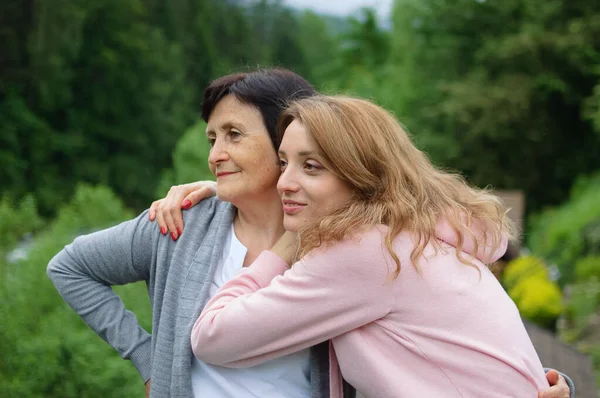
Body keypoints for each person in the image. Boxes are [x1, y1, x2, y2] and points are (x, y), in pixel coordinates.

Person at [153, 96, 575, 398]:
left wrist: (282, 249)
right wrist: (232, 191)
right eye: (284, 162)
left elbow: (213, 337)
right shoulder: (419, 229)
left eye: (311, 166)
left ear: (361, 176)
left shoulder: (363, 252)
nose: (285, 182)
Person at [47, 69, 345, 398]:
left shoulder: (340, 238)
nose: (214, 155)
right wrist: (147, 359)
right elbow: (69, 267)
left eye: (234, 134)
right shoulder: (178, 223)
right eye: (212, 139)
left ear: (286, 139)